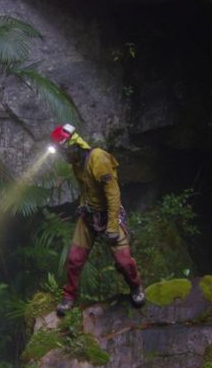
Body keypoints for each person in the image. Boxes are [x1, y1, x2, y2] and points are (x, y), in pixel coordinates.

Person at [50, 123, 145, 316]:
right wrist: (83, 206)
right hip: (89, 215)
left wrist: (111, 226)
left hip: (109, 214)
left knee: (124, 261)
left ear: (72, 146)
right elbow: (86, 189)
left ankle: (135, 287)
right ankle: (68, 297)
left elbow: (113, 195)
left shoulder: (98, 158)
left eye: (63, 152)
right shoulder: (77, 164)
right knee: (75, 258)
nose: (64, 157)